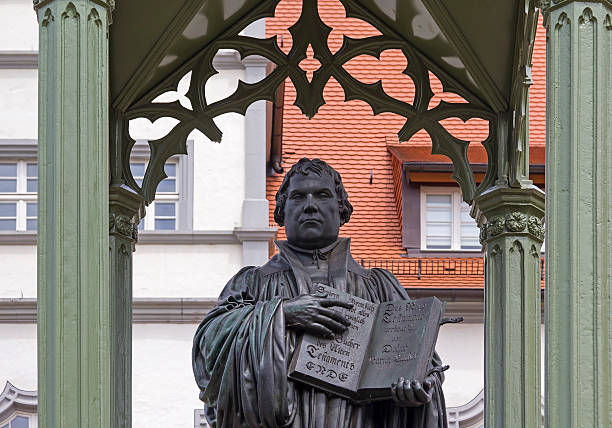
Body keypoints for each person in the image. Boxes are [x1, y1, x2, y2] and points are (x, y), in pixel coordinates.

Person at [192, 158, 448, 428]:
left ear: (341, 210)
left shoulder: (380, 287)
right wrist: (282, 313)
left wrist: (416, 393)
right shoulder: (252, 283)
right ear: (282, 210)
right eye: (298, 196)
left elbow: (424, 366)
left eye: (322, 195)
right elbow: (208, 351)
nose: (310, 205)